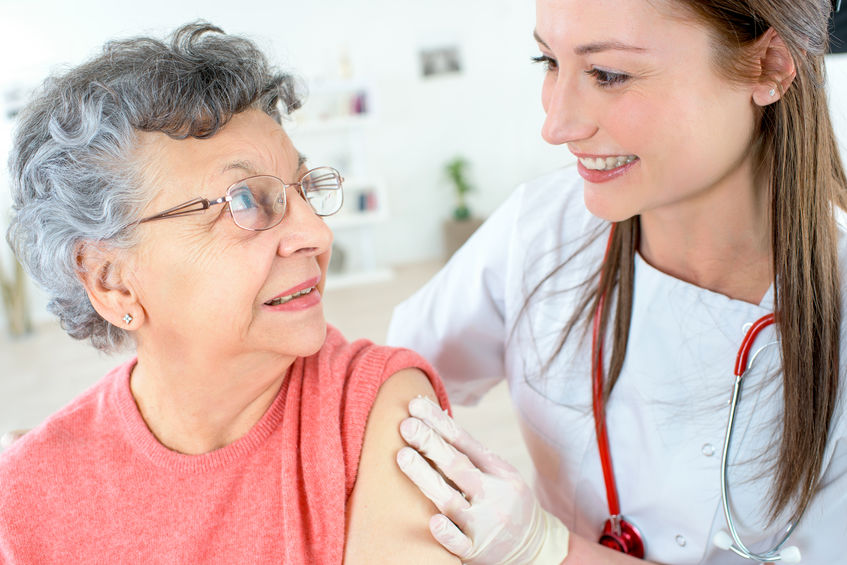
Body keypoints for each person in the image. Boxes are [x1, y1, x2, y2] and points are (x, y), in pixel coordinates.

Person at [388, 0, 847, 563]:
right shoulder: (542, 229)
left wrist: (547, 552)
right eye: (548, 60)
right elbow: (393, 385)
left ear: (770, 65)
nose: (556, 125)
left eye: (609, 75)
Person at [0, 23, 460, 564]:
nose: (317, 234)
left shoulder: (375, 407)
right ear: (110, 280)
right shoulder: (27, 497)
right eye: (246, 202)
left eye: (304, 188)